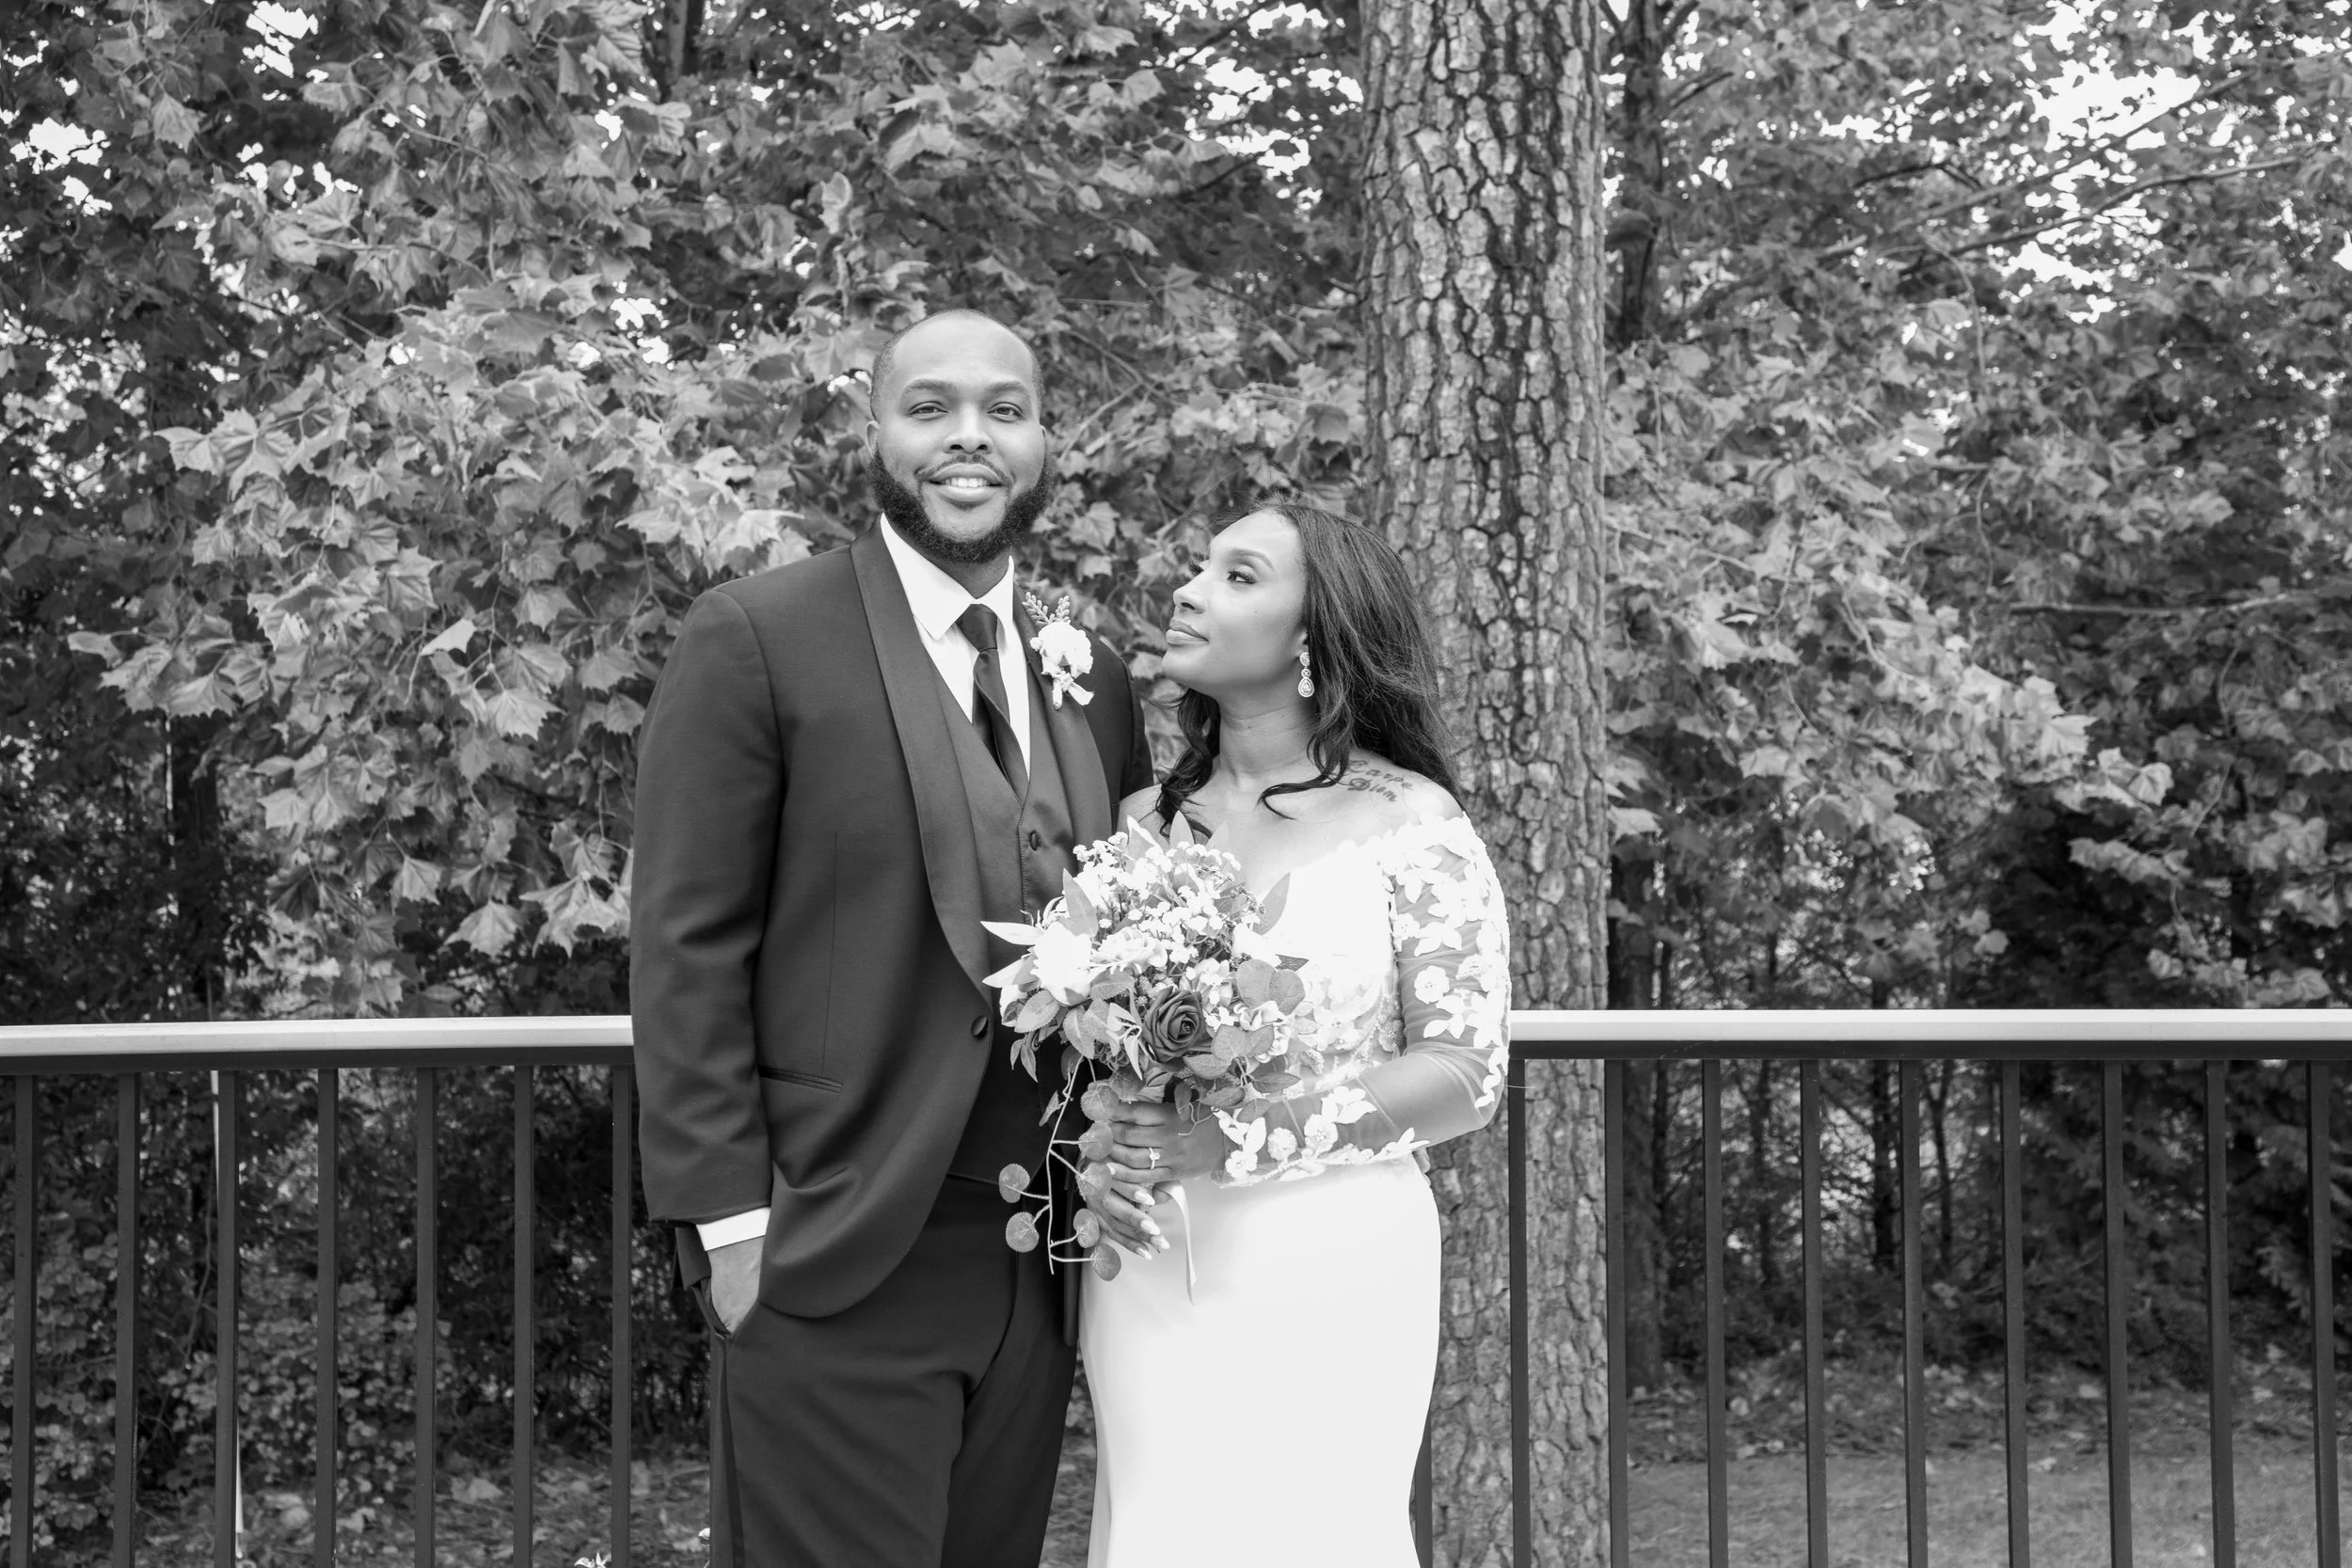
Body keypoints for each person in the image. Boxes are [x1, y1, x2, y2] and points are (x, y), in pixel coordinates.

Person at [629, 309, 1153, 1567]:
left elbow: (1128, 934)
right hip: (832, 1244)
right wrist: (734, 1232)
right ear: (874, 431)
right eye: (930, 407)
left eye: (1005, 409)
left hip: (1037, 1262)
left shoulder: (1095, 674)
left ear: (1042, 440)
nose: (969, 436)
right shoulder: (756, 636)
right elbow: (684, 941)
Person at [1077, 500, 1513, 1568]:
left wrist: (1239, 1140)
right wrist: (1093, 1151)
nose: (1188, 588)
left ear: (1311, 639)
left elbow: (1465, 1071)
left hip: (1333, 1256)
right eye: (1196, 564)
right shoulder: (1139, 824)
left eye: (1237, 575)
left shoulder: (1412, 820)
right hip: (1150, 1257)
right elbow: (1090, 1047)